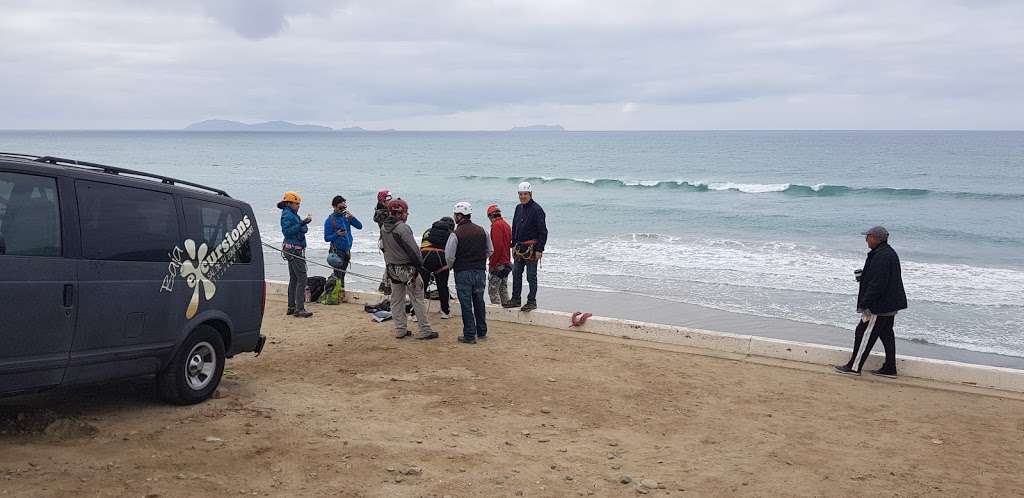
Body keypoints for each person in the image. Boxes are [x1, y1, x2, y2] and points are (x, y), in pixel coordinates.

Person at [835, 226, 907, 377]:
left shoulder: (882, 256)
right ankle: (890, 368)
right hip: (890, 303)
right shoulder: (886, 253)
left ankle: (854, 367)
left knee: (863, 333)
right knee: (886, 334)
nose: (866, 239)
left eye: (868, 236)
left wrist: (865, 303)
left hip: (879, 306)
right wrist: (864, 277)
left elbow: (878, 284)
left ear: (875, 238)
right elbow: (880, 279)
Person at [380, 198, 438, 340]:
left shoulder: (383, 227)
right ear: (400, 213)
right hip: (407, 270)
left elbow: (383, 247)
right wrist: (420, 266)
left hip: (392, 269)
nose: (407, 215)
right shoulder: (403, 228)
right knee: (417, 298)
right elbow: (414, 251)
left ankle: (400, 329)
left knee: (396, 300)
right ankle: (425, 330)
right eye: (406, 212)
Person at [442, 202, 493, 344]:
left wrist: (452, 266)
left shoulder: (456, 234)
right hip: (480, 271)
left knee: (466, 304)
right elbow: (490, 250)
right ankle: (482, 332)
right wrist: (479, 260)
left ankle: (470, 335)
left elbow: (449, 256)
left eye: (455, 215)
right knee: (479, 301)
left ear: (459, 216)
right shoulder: (482, 230)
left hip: (463, 272)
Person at [507, 181, 548, 312]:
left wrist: (540, 249)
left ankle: (531, 301)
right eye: (520, 194)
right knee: (516, 274)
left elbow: (543, 231)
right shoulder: (518, 208)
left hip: (532, 249)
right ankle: (515, 299)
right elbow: (514, 227)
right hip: (519, 248)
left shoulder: (537, 210)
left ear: (530, 194)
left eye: (525, 194)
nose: (522, 196)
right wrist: (513, 245)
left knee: (531, 276)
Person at [278, 191, 313, 318]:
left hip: (292, 249)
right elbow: (287, 232)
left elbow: (304, 229)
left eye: (299, 204)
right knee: (302, 278)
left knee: (294, 278)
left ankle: (291, 307)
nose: (298, 206)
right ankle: (299, 308)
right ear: (289, 203)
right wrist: (302, 224)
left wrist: (302, 225)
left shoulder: (293, 214)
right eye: (296, 203)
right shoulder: (287, 215)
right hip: (293, 250)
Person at [323, 195, 363, 302]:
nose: (343, 210)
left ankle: (340, 294)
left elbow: (360, 226)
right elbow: (326, 238)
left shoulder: (346, 217)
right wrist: (337, 234)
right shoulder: (330, 220)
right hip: (336, 251)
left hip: (347, 250)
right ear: (334, 207)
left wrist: (352, 218)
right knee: (338, 274)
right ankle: (335, 295)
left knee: (343, 274)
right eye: (340, 208)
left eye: (344, 207)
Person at [421, 216, 456, 319]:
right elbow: (452, 251)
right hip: (441, 258)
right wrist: (450, 265)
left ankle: (415, 314)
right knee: (442, 287)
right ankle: (445, 312)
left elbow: (422, 246)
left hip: (425, 257)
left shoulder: (427, 231)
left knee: (421, 288)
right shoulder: (451, 234)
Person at [486, 204, 512, 306]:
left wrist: (492, 264)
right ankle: (507, 310)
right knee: (503, 289)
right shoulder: (506, 225)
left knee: (493, 291)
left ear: (490, 216)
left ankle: (497, 311)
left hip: (498, 263)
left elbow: (497, 247)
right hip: (506, 262)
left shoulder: (496, 226)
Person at [373, 189, 393, 296]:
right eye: (387, 200)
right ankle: (386, 287)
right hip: (386, 241)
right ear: (382, 201)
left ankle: (383, 286)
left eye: (390, 199)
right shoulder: (382, 213)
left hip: (386, 241)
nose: (389, 201)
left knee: (389, 264)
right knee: (390, 264)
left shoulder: (385, 211)